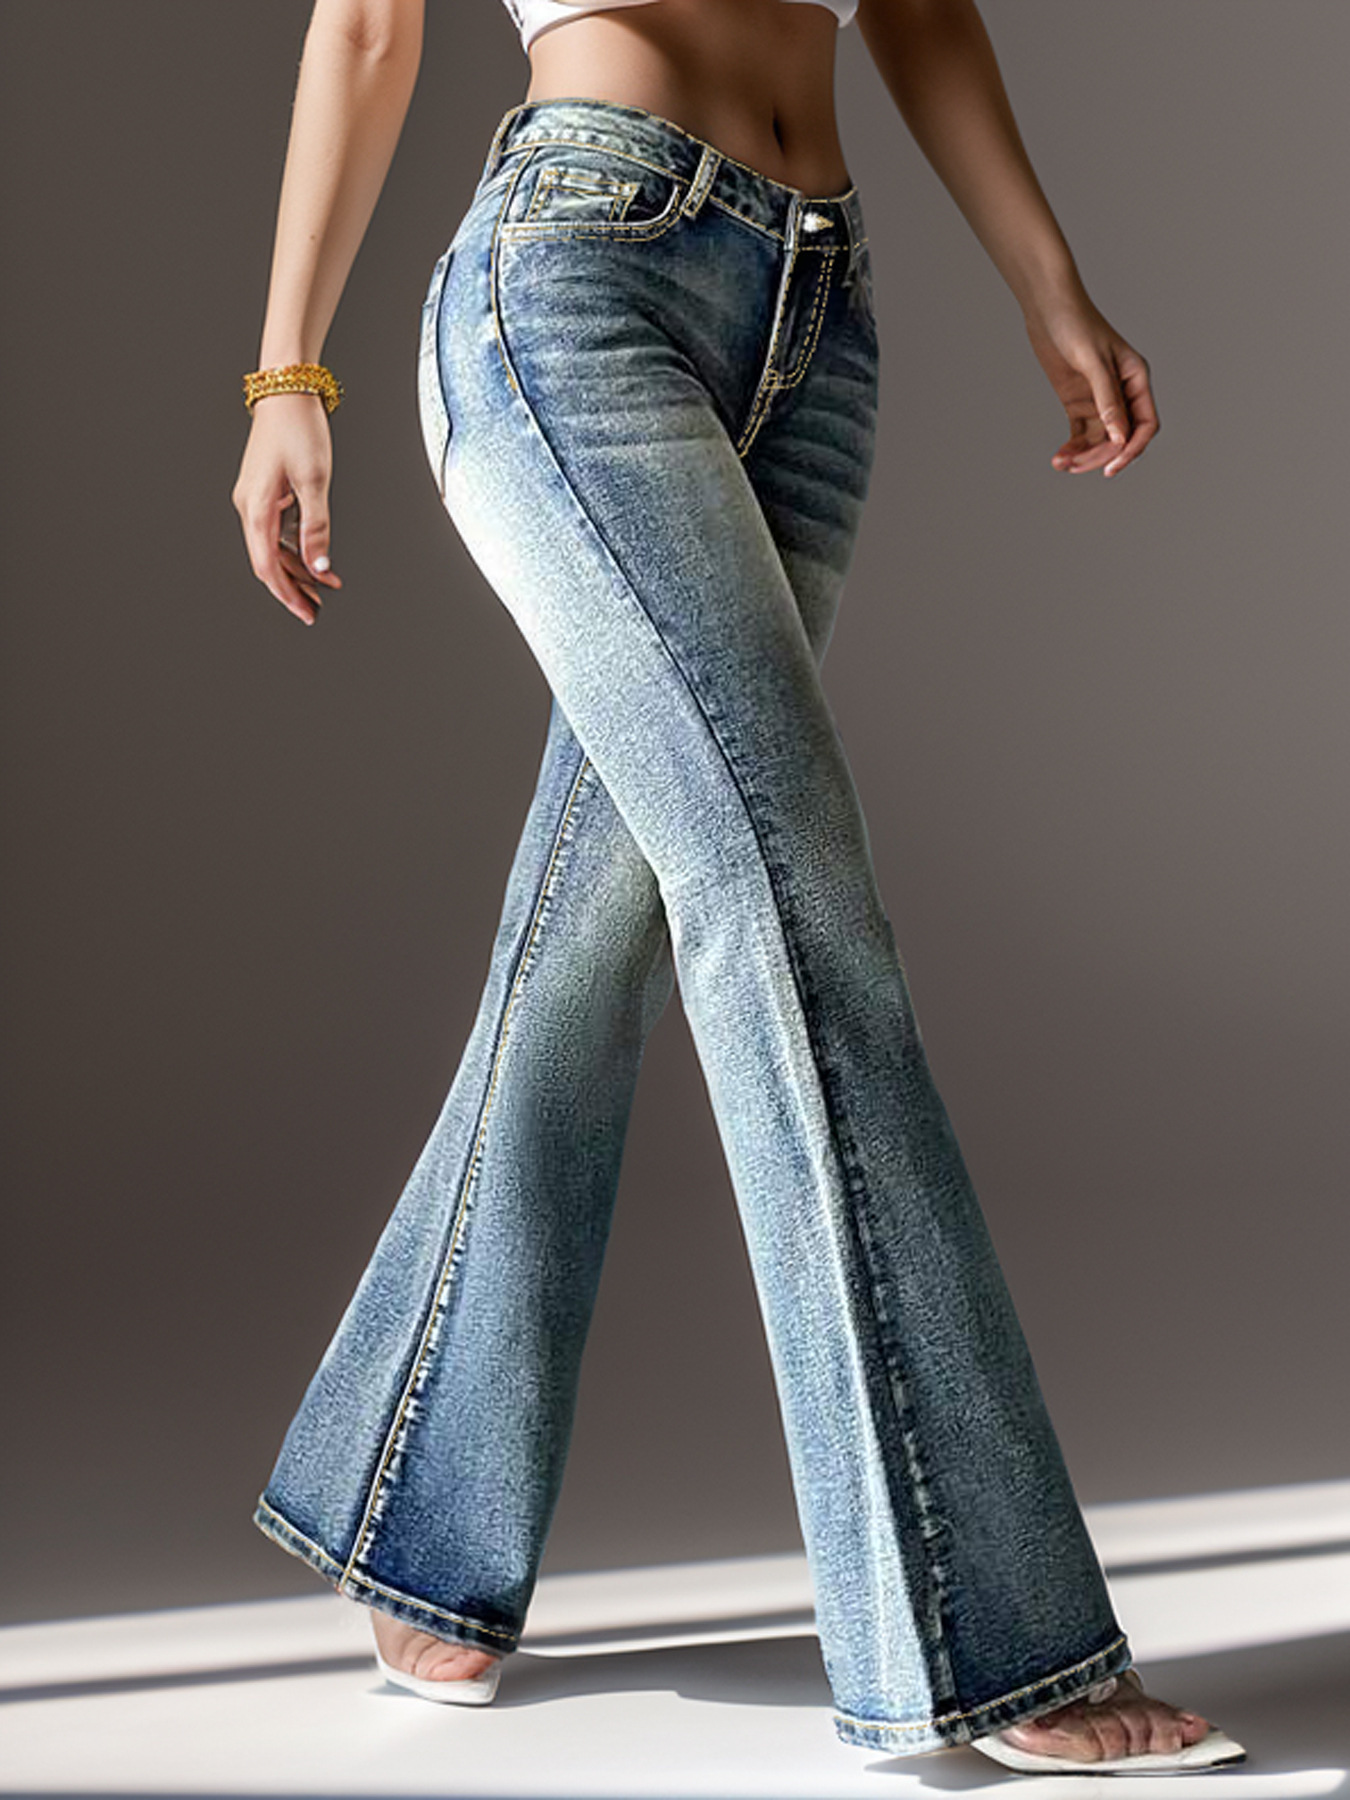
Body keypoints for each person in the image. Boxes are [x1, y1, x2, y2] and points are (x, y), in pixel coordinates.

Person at [232, 0, 1243, 1772]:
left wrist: (1047, 286)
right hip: (576, 275)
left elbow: (917, 9)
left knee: (592, 931)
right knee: (790, 910)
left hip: (818, 309)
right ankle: (982, 1636)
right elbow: (370, 24)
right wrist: (285, 378)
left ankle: (415, 1518)